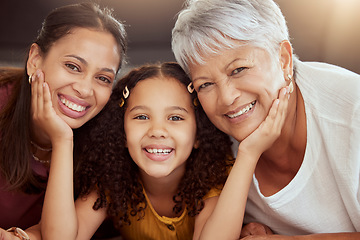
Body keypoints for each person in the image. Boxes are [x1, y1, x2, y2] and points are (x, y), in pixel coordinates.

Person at [171, 0, 360, 239]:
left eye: (238, 69)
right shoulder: (208, 141)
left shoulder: (352, 112)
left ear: (283, 59)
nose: (227, 98)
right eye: (206, 84)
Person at [39, 61, 288, 240]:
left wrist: (248, 153)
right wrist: (62, 139)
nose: (158, 130)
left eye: (176, 118)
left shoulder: (214, 177)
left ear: (198, 134)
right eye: (142, 116)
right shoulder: (113, 180)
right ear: (122, 133)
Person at [0, 2, 127, 239]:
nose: (85, 89)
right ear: (35, 59)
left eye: (102, 78)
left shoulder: (109, 141)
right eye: (72, 66)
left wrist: (62, 140)